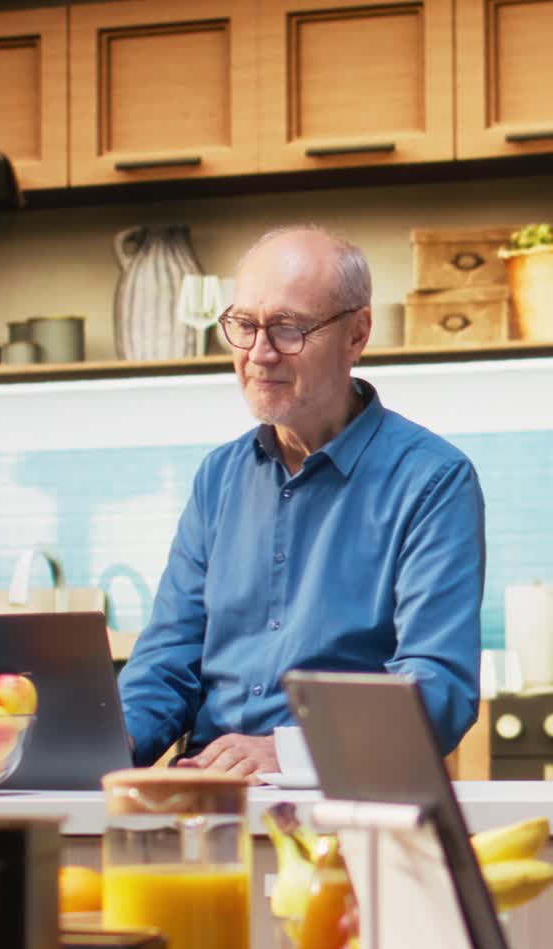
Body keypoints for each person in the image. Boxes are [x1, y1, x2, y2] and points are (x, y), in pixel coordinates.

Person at [119, 224, 485, 778]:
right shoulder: (218, 477)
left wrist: (290, 752)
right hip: (206, 794)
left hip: (344, 796)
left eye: (288, 329)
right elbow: (168, 662)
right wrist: (111, 738)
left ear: (357, 335)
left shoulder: (433, 480)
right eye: (243, 325)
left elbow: (438, 688)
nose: (259, 354)